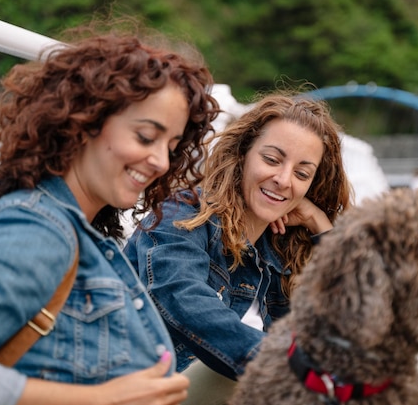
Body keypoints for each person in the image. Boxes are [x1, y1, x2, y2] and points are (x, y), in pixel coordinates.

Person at [0, 18, 219, 405]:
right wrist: (99, 399)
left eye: (171, 145)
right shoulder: (36, 232)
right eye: (146, 137)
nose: (161, 162)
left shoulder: (73, 232)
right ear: (84, 121)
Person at [124, 92, 352, 404]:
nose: (284, 180)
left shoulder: (284, 251)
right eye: (271, 160)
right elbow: (189, 305)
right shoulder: (182, 215)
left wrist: (321, 227)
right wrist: (303, 372)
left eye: (302, 173)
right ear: (243, 153)